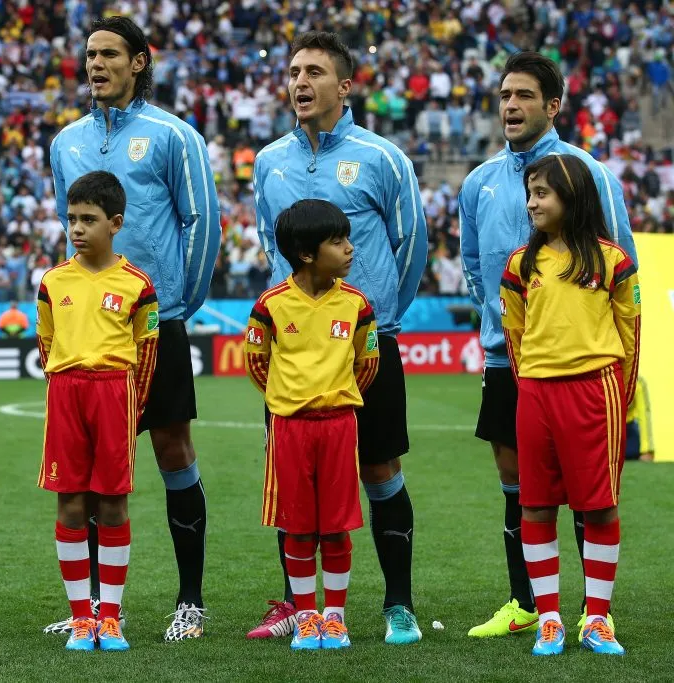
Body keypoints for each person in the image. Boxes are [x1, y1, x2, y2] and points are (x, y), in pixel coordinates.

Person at [47, 16, 220, 641]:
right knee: (90, 468)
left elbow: (201, 222)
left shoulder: (175, 137)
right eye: (89, 54)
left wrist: (179, 305)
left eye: (109, 55)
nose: (95, 64)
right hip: (90, 328)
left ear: (138, 62)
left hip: (156, 322)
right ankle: (88, 608)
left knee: (174, 450)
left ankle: (190, 600)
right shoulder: (65, 142)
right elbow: (71, 226)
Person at [252, 31, 427, 644]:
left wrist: (379, 321)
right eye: (295, 71)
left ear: (345, 86)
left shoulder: (382, 157)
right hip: (295, 355)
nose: (300, 82)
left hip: (362, 346)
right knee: (293, 481)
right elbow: (268, 245)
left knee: (380, 469)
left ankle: (397, 604)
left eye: (315, 72)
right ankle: (301, 611)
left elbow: (413, 245)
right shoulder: (268, 160)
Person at [458, 51, 638, 639]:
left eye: (525, 96)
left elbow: (620, 266)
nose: (511, 105)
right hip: (506, 356)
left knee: (589, 492)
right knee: (519, 488)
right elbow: (473, 266)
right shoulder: (480, 181)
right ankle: (527, 604)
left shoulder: (588, 172)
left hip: (583, 368)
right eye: (505, 95)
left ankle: (594, 612)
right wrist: (501, 326)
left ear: (553, 105)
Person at [500, 154, 640, 656]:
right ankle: (551, 619)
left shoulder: (612, 259)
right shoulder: (520, 264)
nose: (533, 203)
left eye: (543, 193)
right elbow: (515, 336)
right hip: (536, 392)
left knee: (599, 507)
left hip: (595, 390)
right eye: (530, 193)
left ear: (572, 197)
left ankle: (597, 619)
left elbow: (630, 334)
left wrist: (619, 399)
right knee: (535, 504)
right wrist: (532, 385)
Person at [244, 199, 379, 651]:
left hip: (339, 426)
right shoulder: (271, 305)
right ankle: (306, 618)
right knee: (299, 528)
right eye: (337, 241)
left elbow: (368, 363)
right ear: (306, 253)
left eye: (347, 239)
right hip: (291, 429)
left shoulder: (358, 304)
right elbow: (257, 363)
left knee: (337, 527)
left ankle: (334, 618)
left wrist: (332, 396)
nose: (349, 249)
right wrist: (294, 400)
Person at [36, 171, 160, 651]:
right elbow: (46, 344)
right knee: (70, 502)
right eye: (71, 219)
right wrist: (69, 380)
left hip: (115, 391)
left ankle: (110, 616)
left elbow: (146, 353)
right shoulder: (53, 282)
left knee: (112, 503)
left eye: (88, 219)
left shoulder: (136, 284)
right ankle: (81, 617)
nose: (77, 229)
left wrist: (131, 406)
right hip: (67, 390)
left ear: (116, 223)